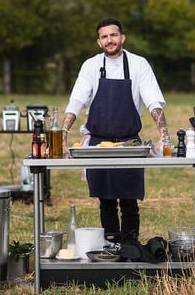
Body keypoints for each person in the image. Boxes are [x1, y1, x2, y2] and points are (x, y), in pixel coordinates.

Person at [62, 18, 170, 243]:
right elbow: (77, 101)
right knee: (106, 201)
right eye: (104, 37)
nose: (109, 40)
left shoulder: (139, 64)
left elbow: (153, 102)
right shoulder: (90, 66)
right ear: (98, 42)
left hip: (129, 143)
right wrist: (62, 132)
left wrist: (164, 133)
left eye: (113, 35)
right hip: (98, 145)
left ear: (122, 37)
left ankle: (130, 246)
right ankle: (111, 245)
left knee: (129, 201)